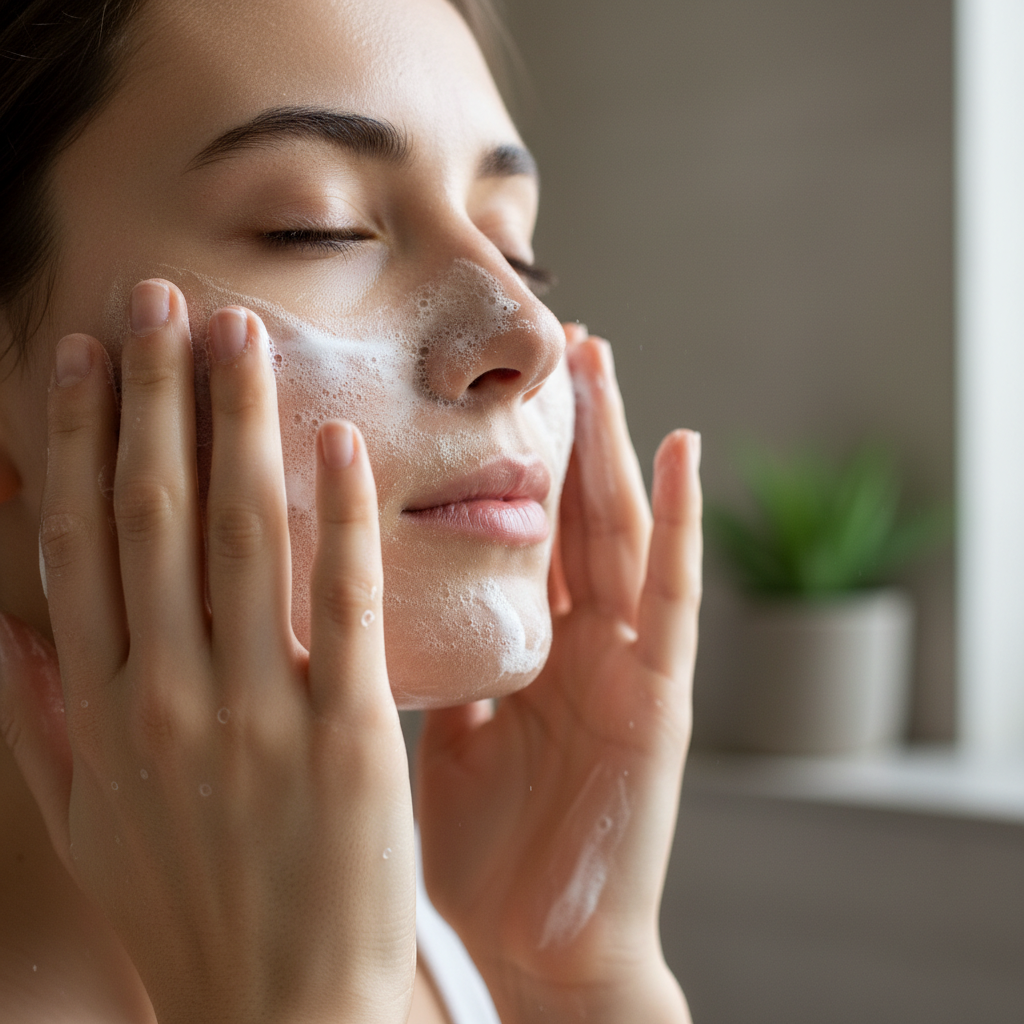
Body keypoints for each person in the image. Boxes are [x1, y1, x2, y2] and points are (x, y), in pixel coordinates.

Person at [0, 0, 703, 1020]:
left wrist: (567, 982)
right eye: (313, 227)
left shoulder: (447, 949)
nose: (526, 329)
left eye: (516, 244)